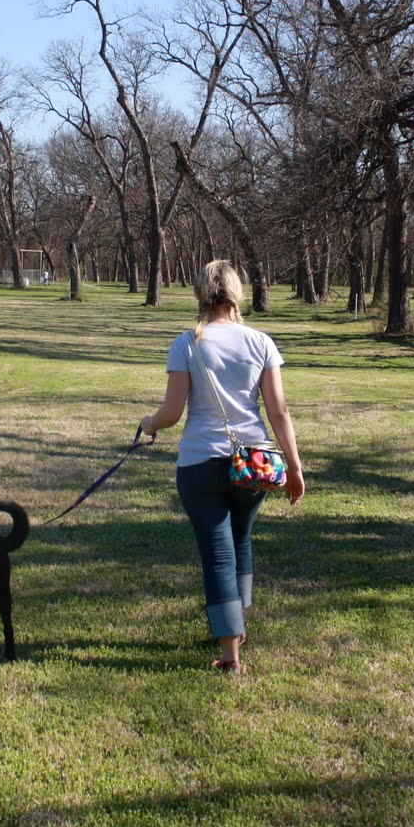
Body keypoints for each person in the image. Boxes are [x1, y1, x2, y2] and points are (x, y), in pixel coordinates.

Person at [139, 260, 305, 675]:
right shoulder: (260, 341)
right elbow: (279, 411)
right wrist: (296, 466)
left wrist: (148, 423)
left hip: (199, 463)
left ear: (201, 293)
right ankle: (236, 624)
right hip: (254, 462)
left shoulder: (186, 343)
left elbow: (172, 413)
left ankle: (231, 653)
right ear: (236, 293)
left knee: (217, 554)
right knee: (240, 541)